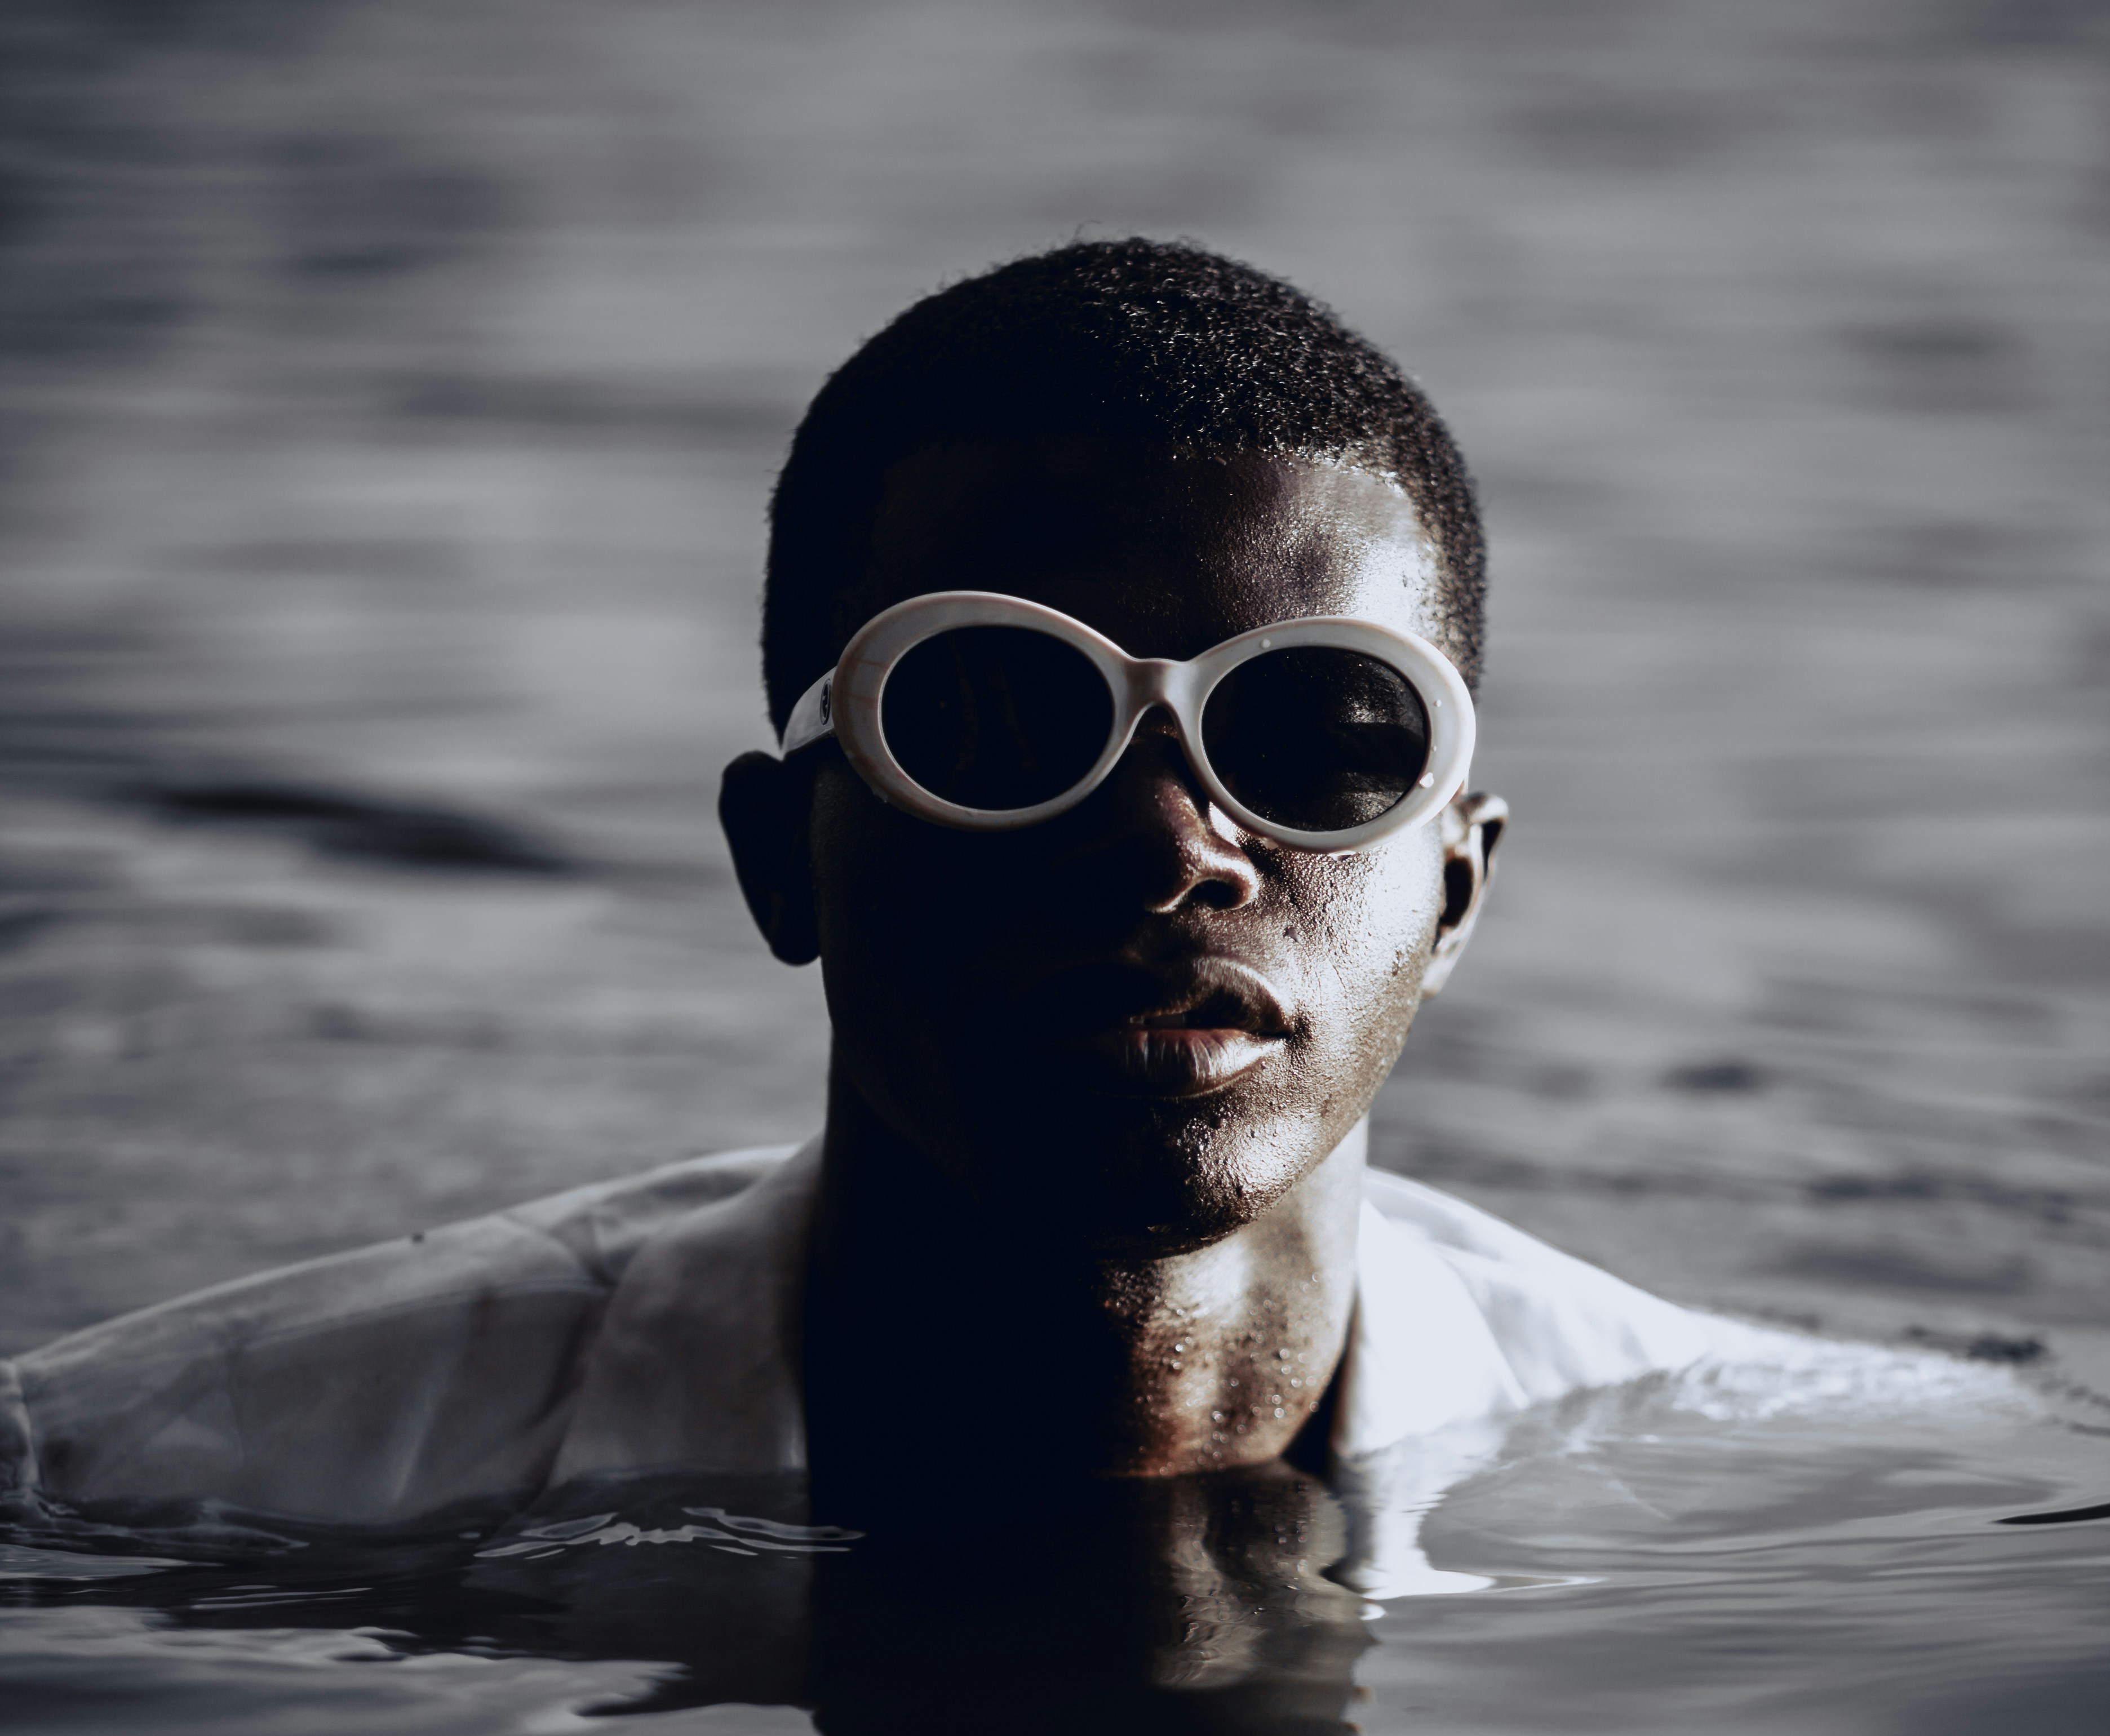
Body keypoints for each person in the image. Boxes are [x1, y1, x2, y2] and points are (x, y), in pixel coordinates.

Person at [0, 239, 1757, 1557]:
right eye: (996, 717)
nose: (1170, 846)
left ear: (1455, 897)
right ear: (782, 859)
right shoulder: (147, 1485)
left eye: (1314, 734)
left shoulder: (1758, 1460)